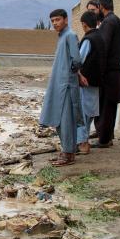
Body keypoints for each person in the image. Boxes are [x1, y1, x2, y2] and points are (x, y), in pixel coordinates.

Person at [40, 9, 83, 166]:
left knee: (66, 121)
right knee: (60, 120)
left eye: (57, 20)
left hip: (65, 85)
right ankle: (67, 151)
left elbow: (77, 60)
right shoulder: (62, 36)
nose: (54, 23)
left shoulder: (70, 35)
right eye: (52, 21)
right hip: (60, 84)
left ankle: (68, 153)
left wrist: (69, 75)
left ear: (66, 19)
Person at [93, 0, 120, 148]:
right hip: (117, 69)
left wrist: (97, 70)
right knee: (110, 106)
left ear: (101, 6)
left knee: (105, 106)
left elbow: (103, 48)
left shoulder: (108, 23)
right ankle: (107, 136)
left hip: (108, 72)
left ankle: (104, 140)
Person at [76, 11, 105, 155]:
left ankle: (83, 143)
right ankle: (83, 140)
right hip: (96, 83)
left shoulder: (88, 40)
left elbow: (79, 60)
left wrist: (79, 74)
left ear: (84, 24)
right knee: (89, 113)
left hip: (86, 82)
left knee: (83, 114)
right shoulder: (100, 37)